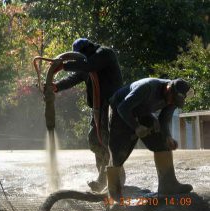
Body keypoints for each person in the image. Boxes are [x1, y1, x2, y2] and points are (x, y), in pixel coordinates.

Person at [51, 38, 124, 192]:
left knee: (107, 141)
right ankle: (104, 175)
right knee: (94, 140)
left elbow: (90, 65)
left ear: (88, 48)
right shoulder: (86, 64)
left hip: (112, 105)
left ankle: (111, 178)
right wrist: (56, 87)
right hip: (98, 108)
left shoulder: (104, 53)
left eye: (81, 55)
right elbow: (74, 78)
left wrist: (64, 65)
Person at [107, 77, 193, 200]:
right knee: (118, 150)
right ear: (168, 89)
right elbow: (123, 108)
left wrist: (168, 136)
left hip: (143, 110)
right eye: (171, 100)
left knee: (162, 142)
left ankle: (168, 185)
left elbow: (164, 119)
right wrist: (136, 126)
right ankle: (114, 192)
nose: (171, 103)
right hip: (120, 108)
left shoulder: (175, 98)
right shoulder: (147, 88)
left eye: (174, 102)